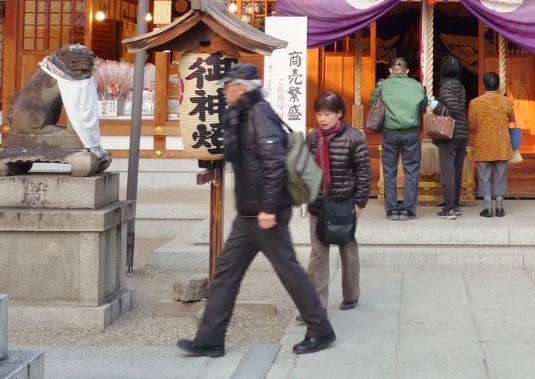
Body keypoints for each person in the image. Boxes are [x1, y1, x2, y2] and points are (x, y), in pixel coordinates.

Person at [178, 63, 335, 358]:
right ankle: (210, 339)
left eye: (227, 87)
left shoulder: (260, 114)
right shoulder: (242, 114)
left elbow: (274, 164)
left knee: (289, 272)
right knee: (226, 274)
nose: (224, 92)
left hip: (265, 213)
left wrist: (268, 208)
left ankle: (321, 329)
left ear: (241, 88)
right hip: (248, 214)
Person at [305, 91, 370, 311]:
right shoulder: (313, 137)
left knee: (347, 250)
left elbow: (363, 172)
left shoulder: (354, 137)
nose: (322, 119)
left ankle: (351, 294)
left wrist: (359, 202)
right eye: (319, 114)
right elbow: (306, 167)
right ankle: (316, 305)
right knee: (318, 255)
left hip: (343, 202)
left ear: (339, 113)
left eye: (327, 113)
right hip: (318, 202)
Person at [370, 57, 428, 220]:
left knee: (389, 171)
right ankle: (408, 209)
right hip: (411, 132)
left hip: (389, 132)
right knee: (411, 171)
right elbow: (423, 104)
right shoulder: (416, 85)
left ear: (390, 70)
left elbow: (372, 102)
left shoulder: (383, 85)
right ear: (407, 71)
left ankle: (392, 209)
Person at [468, 71, 514, 218]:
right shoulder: (507, 101)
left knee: (484, 175)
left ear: (483, 85)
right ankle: (499, 207)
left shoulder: (475, 103)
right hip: (502, 143)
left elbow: (472, 125)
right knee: (501, 175)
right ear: (498, 85)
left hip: (484, 143)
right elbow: (512, 119)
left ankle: (488, 207)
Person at [434, 55, 470, 219]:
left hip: (450, 133)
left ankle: (449, 209)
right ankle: (455, 205)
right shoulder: (460, 85)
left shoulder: (446, 85)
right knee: (457, 172)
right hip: (462, 133)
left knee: (448, 172)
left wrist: (436, 105)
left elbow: (452, 111)